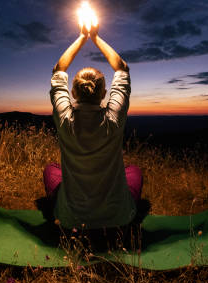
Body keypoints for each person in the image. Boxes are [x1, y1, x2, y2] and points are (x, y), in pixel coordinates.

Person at [43, 20, 143, 231]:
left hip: (70, 219)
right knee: (133, 172)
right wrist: (96, 37)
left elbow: (58, 69)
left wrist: (82, 37)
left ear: (73, 93)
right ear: (104, 95)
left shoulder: (65, 119)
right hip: (119, 217)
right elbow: (122, 68)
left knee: (51, 170)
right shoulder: (113, 120)